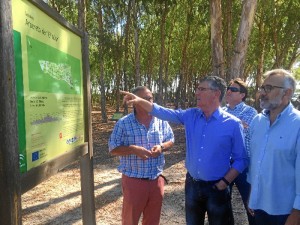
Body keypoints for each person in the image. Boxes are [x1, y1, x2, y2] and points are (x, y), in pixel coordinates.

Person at [121, 76, 248, 225]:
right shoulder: (190, 115)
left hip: (217, 188)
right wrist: (139, 100)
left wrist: (224, 182)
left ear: (216, 93)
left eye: (202, 89)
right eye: (197, 89)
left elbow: (242, 159)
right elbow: (162, 112)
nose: (197, 93)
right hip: (192, 186)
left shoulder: (233, 124)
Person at [108, 86, 174, 225]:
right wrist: (132, 149)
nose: (148, 101)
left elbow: (171, 139)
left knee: (152, 220)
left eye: (150, 98)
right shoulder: (124, 123)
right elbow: (113, 148)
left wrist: (162, 147)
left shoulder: (161, 120)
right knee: (130, 220)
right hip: (134, 182)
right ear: (134, 101)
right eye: (144, 98)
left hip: (156, 180)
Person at [247, 69, 300, 225]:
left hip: (286, 212)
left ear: (287, 93)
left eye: (268, 88)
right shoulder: (257, 121)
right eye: (262, 88)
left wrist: (296, 214)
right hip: (259, 208)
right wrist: (252, 196)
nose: (262, 93)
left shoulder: (297, 124)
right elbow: (254, 163)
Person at [223, 78, 257, 225]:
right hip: (224, 165)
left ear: (242, 95)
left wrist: (224, 127)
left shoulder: (250, 111)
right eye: (228, 89)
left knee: (251, 204)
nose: (229, 91)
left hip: (244, 165)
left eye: (234, 89)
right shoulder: (221, 111)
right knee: (222, 204)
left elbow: (244, 131)